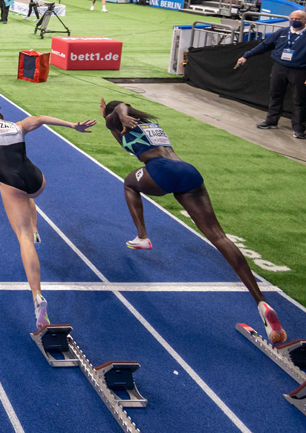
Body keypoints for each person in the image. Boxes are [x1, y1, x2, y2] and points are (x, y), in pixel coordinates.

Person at [99, 99, 286, 344]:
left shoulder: (119, 120)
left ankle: (143, 236)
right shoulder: (150, 125)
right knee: (219, 237)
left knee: (129, 182)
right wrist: (121, 115)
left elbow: (119, 109)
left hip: (160, 170)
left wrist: (118, 114)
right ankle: (260, 300)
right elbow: (120, 124)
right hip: (187, 171)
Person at [0, 96, 94, 330]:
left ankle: (37, 295)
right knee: (29, 196)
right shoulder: (18, 125)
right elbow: (42, 118)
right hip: (36, 179)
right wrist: (73, 125)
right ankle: (35, 229)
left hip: (10, 182)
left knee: (22, 237)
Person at [235, 10, 306, 139]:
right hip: (279, 67)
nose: (294, 20)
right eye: (292, 18)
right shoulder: (282, 33)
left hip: (299, 71)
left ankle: (298, 128)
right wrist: (247, 55)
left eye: (299, 19)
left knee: (299, 100)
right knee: (275, 95)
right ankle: (271, 121)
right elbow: (264, 45)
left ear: (304, 20)